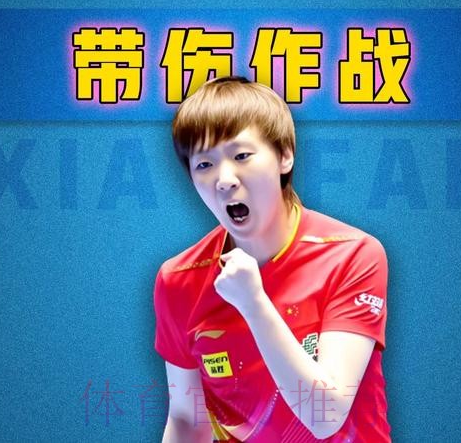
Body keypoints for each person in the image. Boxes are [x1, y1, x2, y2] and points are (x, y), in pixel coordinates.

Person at [154, 76, 391, 442]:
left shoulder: (354, 255)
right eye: (204, 164)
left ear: (284, 156)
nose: (224, 179)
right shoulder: (179, 279)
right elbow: (187, 419)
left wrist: (253, 303)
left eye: (241, 156)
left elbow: (325, 415)